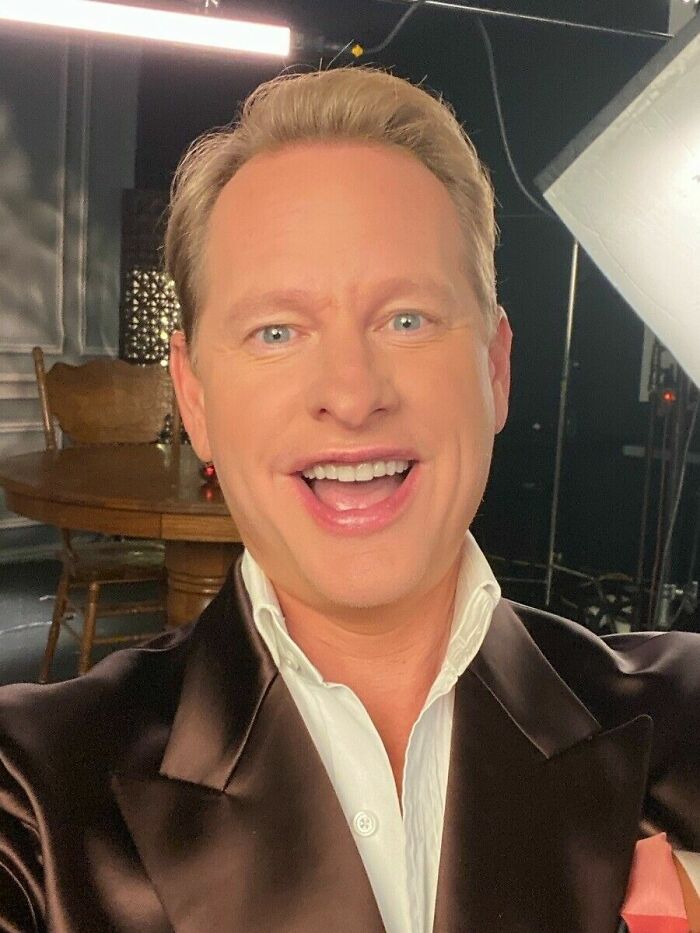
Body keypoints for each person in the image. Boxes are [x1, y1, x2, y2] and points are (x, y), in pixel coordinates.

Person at [0, 66, 698, 933]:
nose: (352, 391)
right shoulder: (27, 791)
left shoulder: (683, 715)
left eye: (405, 318)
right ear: (196, 398)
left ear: (495, 368)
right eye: (277, 331)